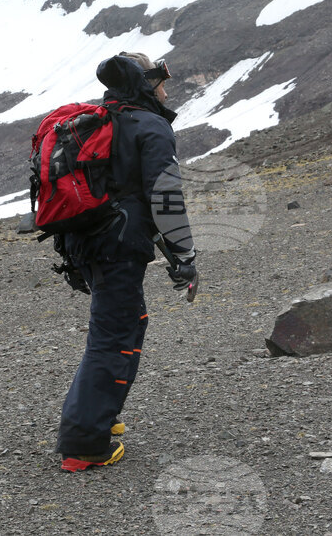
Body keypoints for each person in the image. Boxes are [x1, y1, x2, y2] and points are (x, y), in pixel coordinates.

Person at [56, 52, 197, 472]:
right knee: (113, 335)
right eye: (159, 81)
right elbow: (166, 198)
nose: (166, 90)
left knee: (126, 323)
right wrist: (186, 254)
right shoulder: (150, 126)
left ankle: (100, 416)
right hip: (117, 245)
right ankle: (85, 444)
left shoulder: (95, 122)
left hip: (86, 244)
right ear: (143, 83)